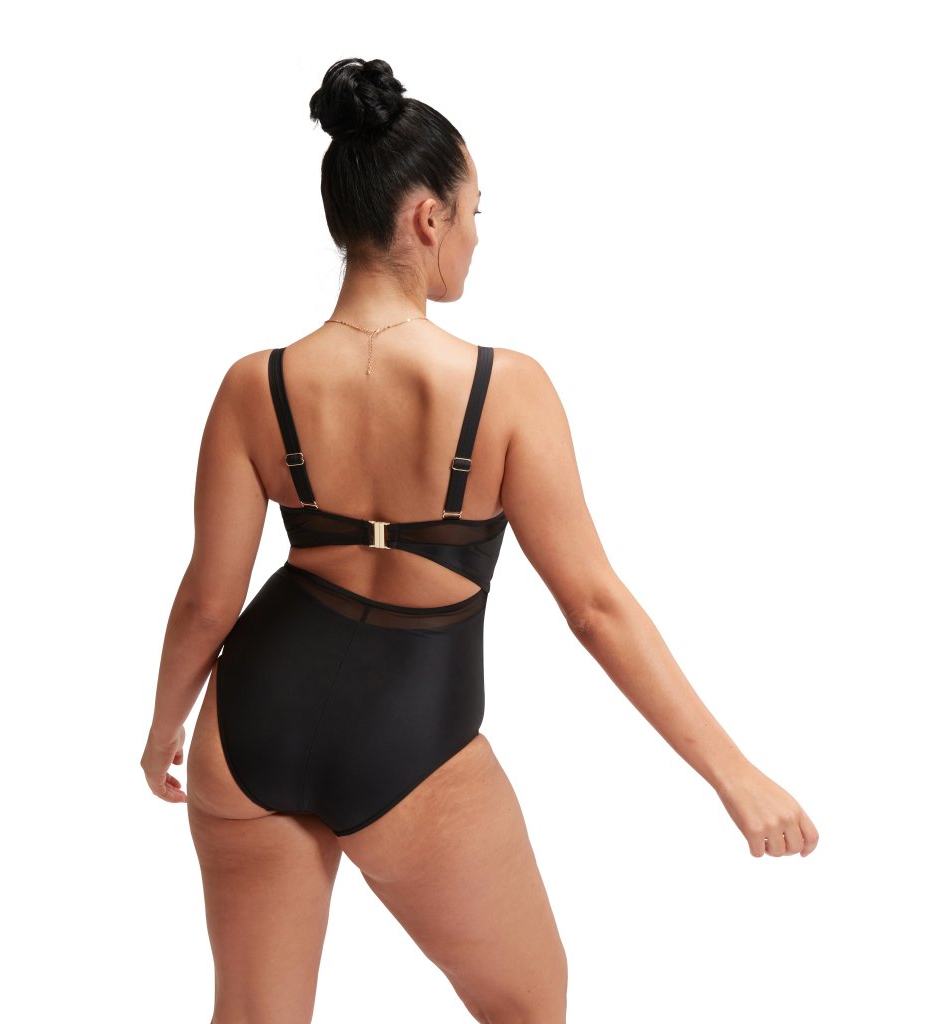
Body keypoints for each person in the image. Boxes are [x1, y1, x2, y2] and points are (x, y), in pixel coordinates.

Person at [140, 56, 819, 1024]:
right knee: (529, 1009)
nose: (475, 236)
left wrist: (164, 728)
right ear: (429, 217)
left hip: (250, 720)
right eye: (475, 212)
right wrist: (733, 774)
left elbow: (208, 600)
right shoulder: (506, 389)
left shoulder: (255, 383)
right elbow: (594, 607)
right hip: (408, 732)